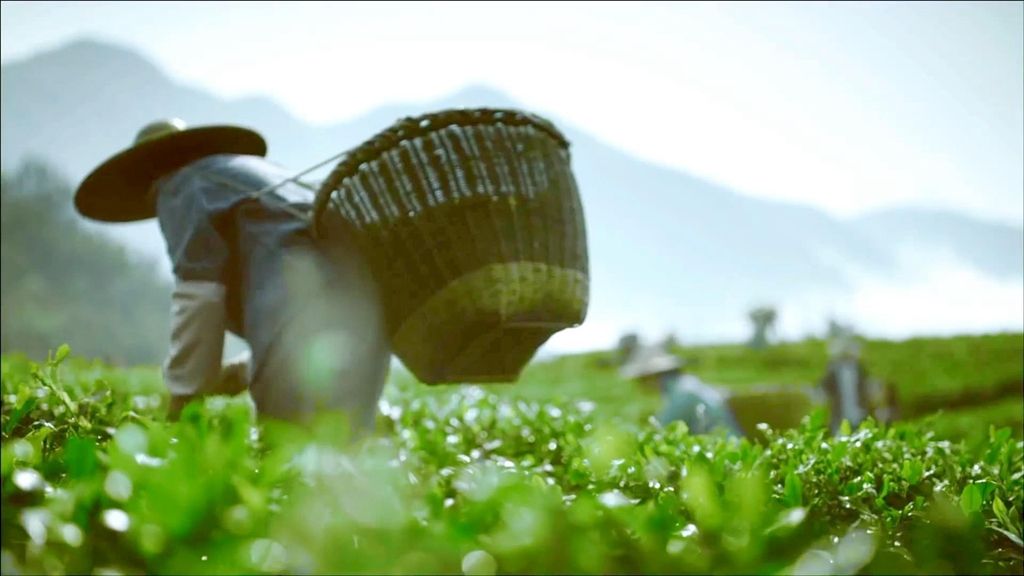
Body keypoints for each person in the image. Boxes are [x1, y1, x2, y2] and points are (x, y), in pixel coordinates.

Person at [75, 119, 391, 432]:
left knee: (287, 448)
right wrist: (245, 370)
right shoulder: (255, 172)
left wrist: (185, 394)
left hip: (300, 312)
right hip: (368, 315)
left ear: (149, 176)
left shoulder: (181, 185)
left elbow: (199, 295)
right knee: (342, 443)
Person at [620, 344, 743, 436]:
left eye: (641, 379)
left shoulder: (682, 395)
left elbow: (662, 432)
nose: (640, 385)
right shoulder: (686, 383)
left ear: (651, 376)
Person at [818, 334, 896, 433]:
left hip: (860, 413)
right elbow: (824, 388)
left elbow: (868, 388)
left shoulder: (859, 369)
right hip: (839, 414)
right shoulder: (833, 369)